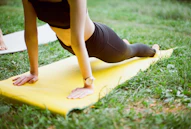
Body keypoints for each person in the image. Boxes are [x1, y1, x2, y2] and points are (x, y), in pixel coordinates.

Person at [13, 0, 160, 99]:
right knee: (120, 49)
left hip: (100, 42)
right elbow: (31, 34)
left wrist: (88, 84)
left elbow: (77, 39)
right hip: (70, 46)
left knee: (129, 51)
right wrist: (33, 72)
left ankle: (153, 50)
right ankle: (121, 43)